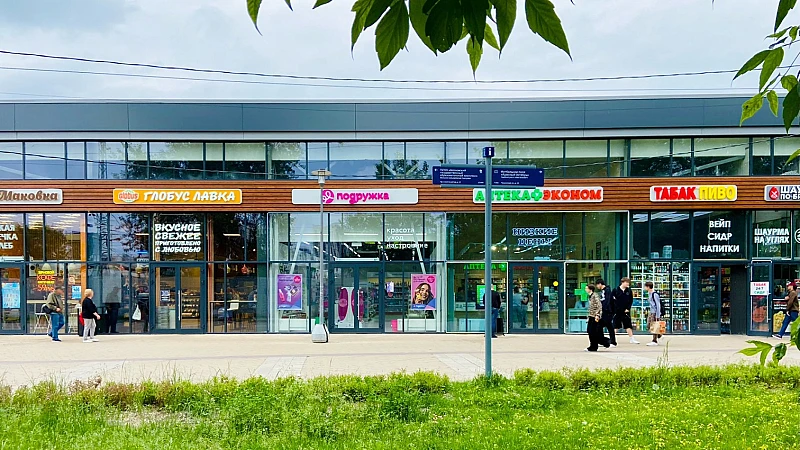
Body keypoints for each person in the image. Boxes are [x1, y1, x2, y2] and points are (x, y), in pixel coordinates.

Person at [612, 277, 640, 344]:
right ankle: (612, 339)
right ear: (622, 282)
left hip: (626, 311)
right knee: (615, 325)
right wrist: (614, 309)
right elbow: (612, 300)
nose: (627, 284)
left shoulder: (629, 291)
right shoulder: (615, 290)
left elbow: (630, 300)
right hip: (617, 311)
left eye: (628, 283)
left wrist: (628, 308)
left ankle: (632, 339)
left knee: (628, 325)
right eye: (626, 282)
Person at [585, 284, 610, 352]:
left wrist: (598, 315)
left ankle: (595, 345)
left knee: (593, 331)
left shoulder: (595, 296)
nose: (585, 290)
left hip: (595, 316)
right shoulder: (590, 296)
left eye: (586, 288)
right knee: (590, 331)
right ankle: (594, 345)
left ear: (590, 289)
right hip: (591, 315)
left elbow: (599, 306)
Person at [596, 279, 616, 347]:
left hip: (607, 312)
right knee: (600, 326)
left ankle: (612, 341)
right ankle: (603, 341)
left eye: (597, 285)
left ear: (600, 284)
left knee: (608, 326)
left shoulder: (607, 291)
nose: (597, 286)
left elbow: (607, 301)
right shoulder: (604, 291)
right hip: (605, 311)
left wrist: (604, 309)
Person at [645, 281, 662, 346]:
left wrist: (658, 315)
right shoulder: (649, 294)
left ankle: (654, 340)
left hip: (654, 312)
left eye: (645, 287)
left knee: (654, 326)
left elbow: (658, 305)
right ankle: (659, 334)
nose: (644, 288)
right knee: (649, 325)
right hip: (651, 311)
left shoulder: (654, 294)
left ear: (648, 287)